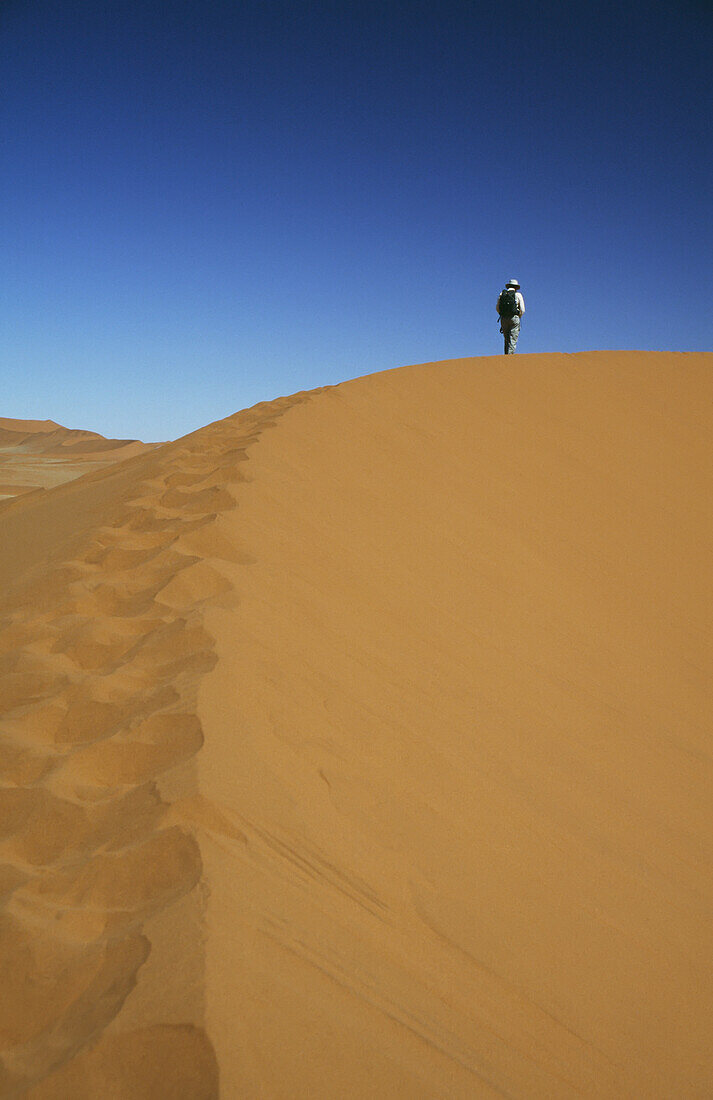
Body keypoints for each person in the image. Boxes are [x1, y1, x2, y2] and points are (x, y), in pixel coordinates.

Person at [496, 279, 525, 354]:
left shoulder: (502, 294)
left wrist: (502, 314)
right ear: (516, 287)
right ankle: (510, 360)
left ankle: (506, 357)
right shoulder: (518, 295)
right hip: (514, 318)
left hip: (503, 318)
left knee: (506, 339)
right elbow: (523, 309)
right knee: (513, 340)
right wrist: (519, 316)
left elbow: (497, 308)